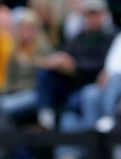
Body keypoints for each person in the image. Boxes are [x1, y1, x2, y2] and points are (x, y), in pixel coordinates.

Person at [34, 0, 114, 129]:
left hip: (94, 84)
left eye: (95, 14)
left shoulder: (111, 36)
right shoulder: (79, 36)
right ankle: (45, 114)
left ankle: (91, 139)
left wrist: (75, 64)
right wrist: (58, 60)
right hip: (74, 81)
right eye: (89, 14)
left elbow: (102, 64)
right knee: (45, 73)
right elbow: (66, 54)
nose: (92, 18)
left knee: (81, 98)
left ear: (103, 15)